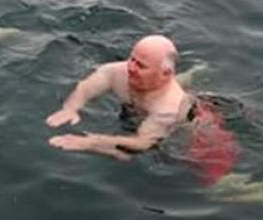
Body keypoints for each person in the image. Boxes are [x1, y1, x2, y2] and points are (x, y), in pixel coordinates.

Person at [45, 35, 237, 184]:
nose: (131, 68)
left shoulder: (167, 109)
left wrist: (90, 142)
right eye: (132, 59)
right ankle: (194, 73)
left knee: (214, 186)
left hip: (197, 129)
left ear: (165, 73)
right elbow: (88, 85)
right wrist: (71, 108)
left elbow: (142, 143)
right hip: (146, 104)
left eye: (141, 66)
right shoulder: (119, 71)